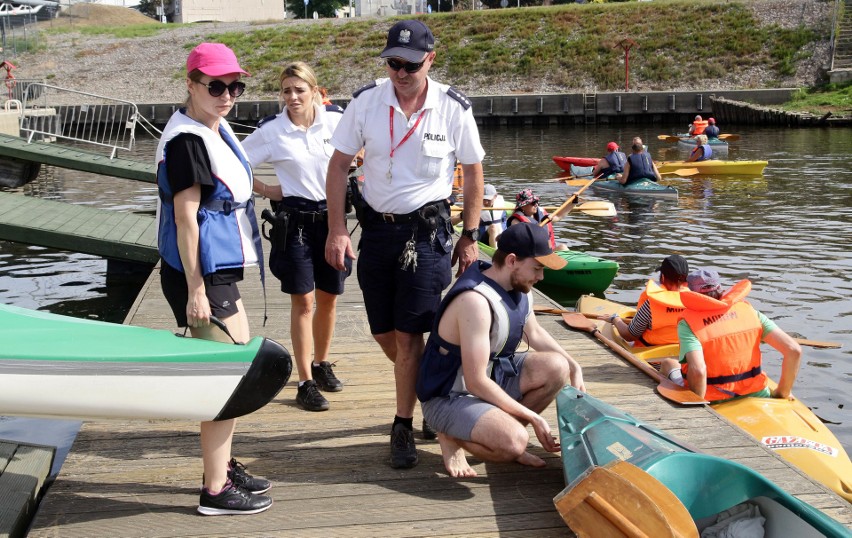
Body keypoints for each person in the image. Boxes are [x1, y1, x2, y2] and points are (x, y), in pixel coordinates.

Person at [324, 19, 485, 469]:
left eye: (410, 64)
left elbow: (473, 172)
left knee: (411, 334)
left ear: (430, 59)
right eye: (393, 62)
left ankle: (403, 423)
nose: (401, 72)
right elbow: (337, 167)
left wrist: (470, 235)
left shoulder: (452, 107)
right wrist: (338, 229)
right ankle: (435, 390)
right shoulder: (366, 103)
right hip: (376, 232)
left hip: (425, 234)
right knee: (383, 331)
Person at [155, 43, 272, 515]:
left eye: (235, 86)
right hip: (198, 275)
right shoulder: (186, 141)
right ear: (191, 83)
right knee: (226, 379)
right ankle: (215, 491)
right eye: (216, 86)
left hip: (217, 271)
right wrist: (196, 291)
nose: (227, 95)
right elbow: (186, 220)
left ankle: (221, 467)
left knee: (235, 371)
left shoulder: (212, 127)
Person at [416, 222, 585, 477]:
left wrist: (574, 366)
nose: (541, 277)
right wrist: (533, 417)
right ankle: (452, 436)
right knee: (514, 443)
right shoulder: (475, 301)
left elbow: (536, 333)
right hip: (449, 395)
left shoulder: (518, 286)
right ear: (512, 260)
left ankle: (498, 432)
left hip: (491, 376)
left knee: (558, 367)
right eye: (537, 268)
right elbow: (475, 382)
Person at [242, 61, 350, 413]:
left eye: (299, 90)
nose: (292, 97)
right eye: (286, 90)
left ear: (317, 92)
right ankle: (304, 382)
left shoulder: (336, 121)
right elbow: (234, 162)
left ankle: (321, 363)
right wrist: (267, 189)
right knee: (303, 301)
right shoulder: (273, 130)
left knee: (329, 297)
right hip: (296, 223)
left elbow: (366, 150)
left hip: (333, 219)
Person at [659, 269, 802, 402]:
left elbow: (698, 370)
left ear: (692, 293)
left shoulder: (688, 323)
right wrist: (781, 393)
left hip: (712, 399)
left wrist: (699, 407)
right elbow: (794, 350)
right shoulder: (750, 312)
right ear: (720, 289)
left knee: (668, 363)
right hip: (757, 393)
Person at [602, 254, 689, 346]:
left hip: (652, 355)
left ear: (662, 277)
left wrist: (615, 319)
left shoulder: (651, 304)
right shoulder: (694, 303)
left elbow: (629, 335)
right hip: (682, 353)